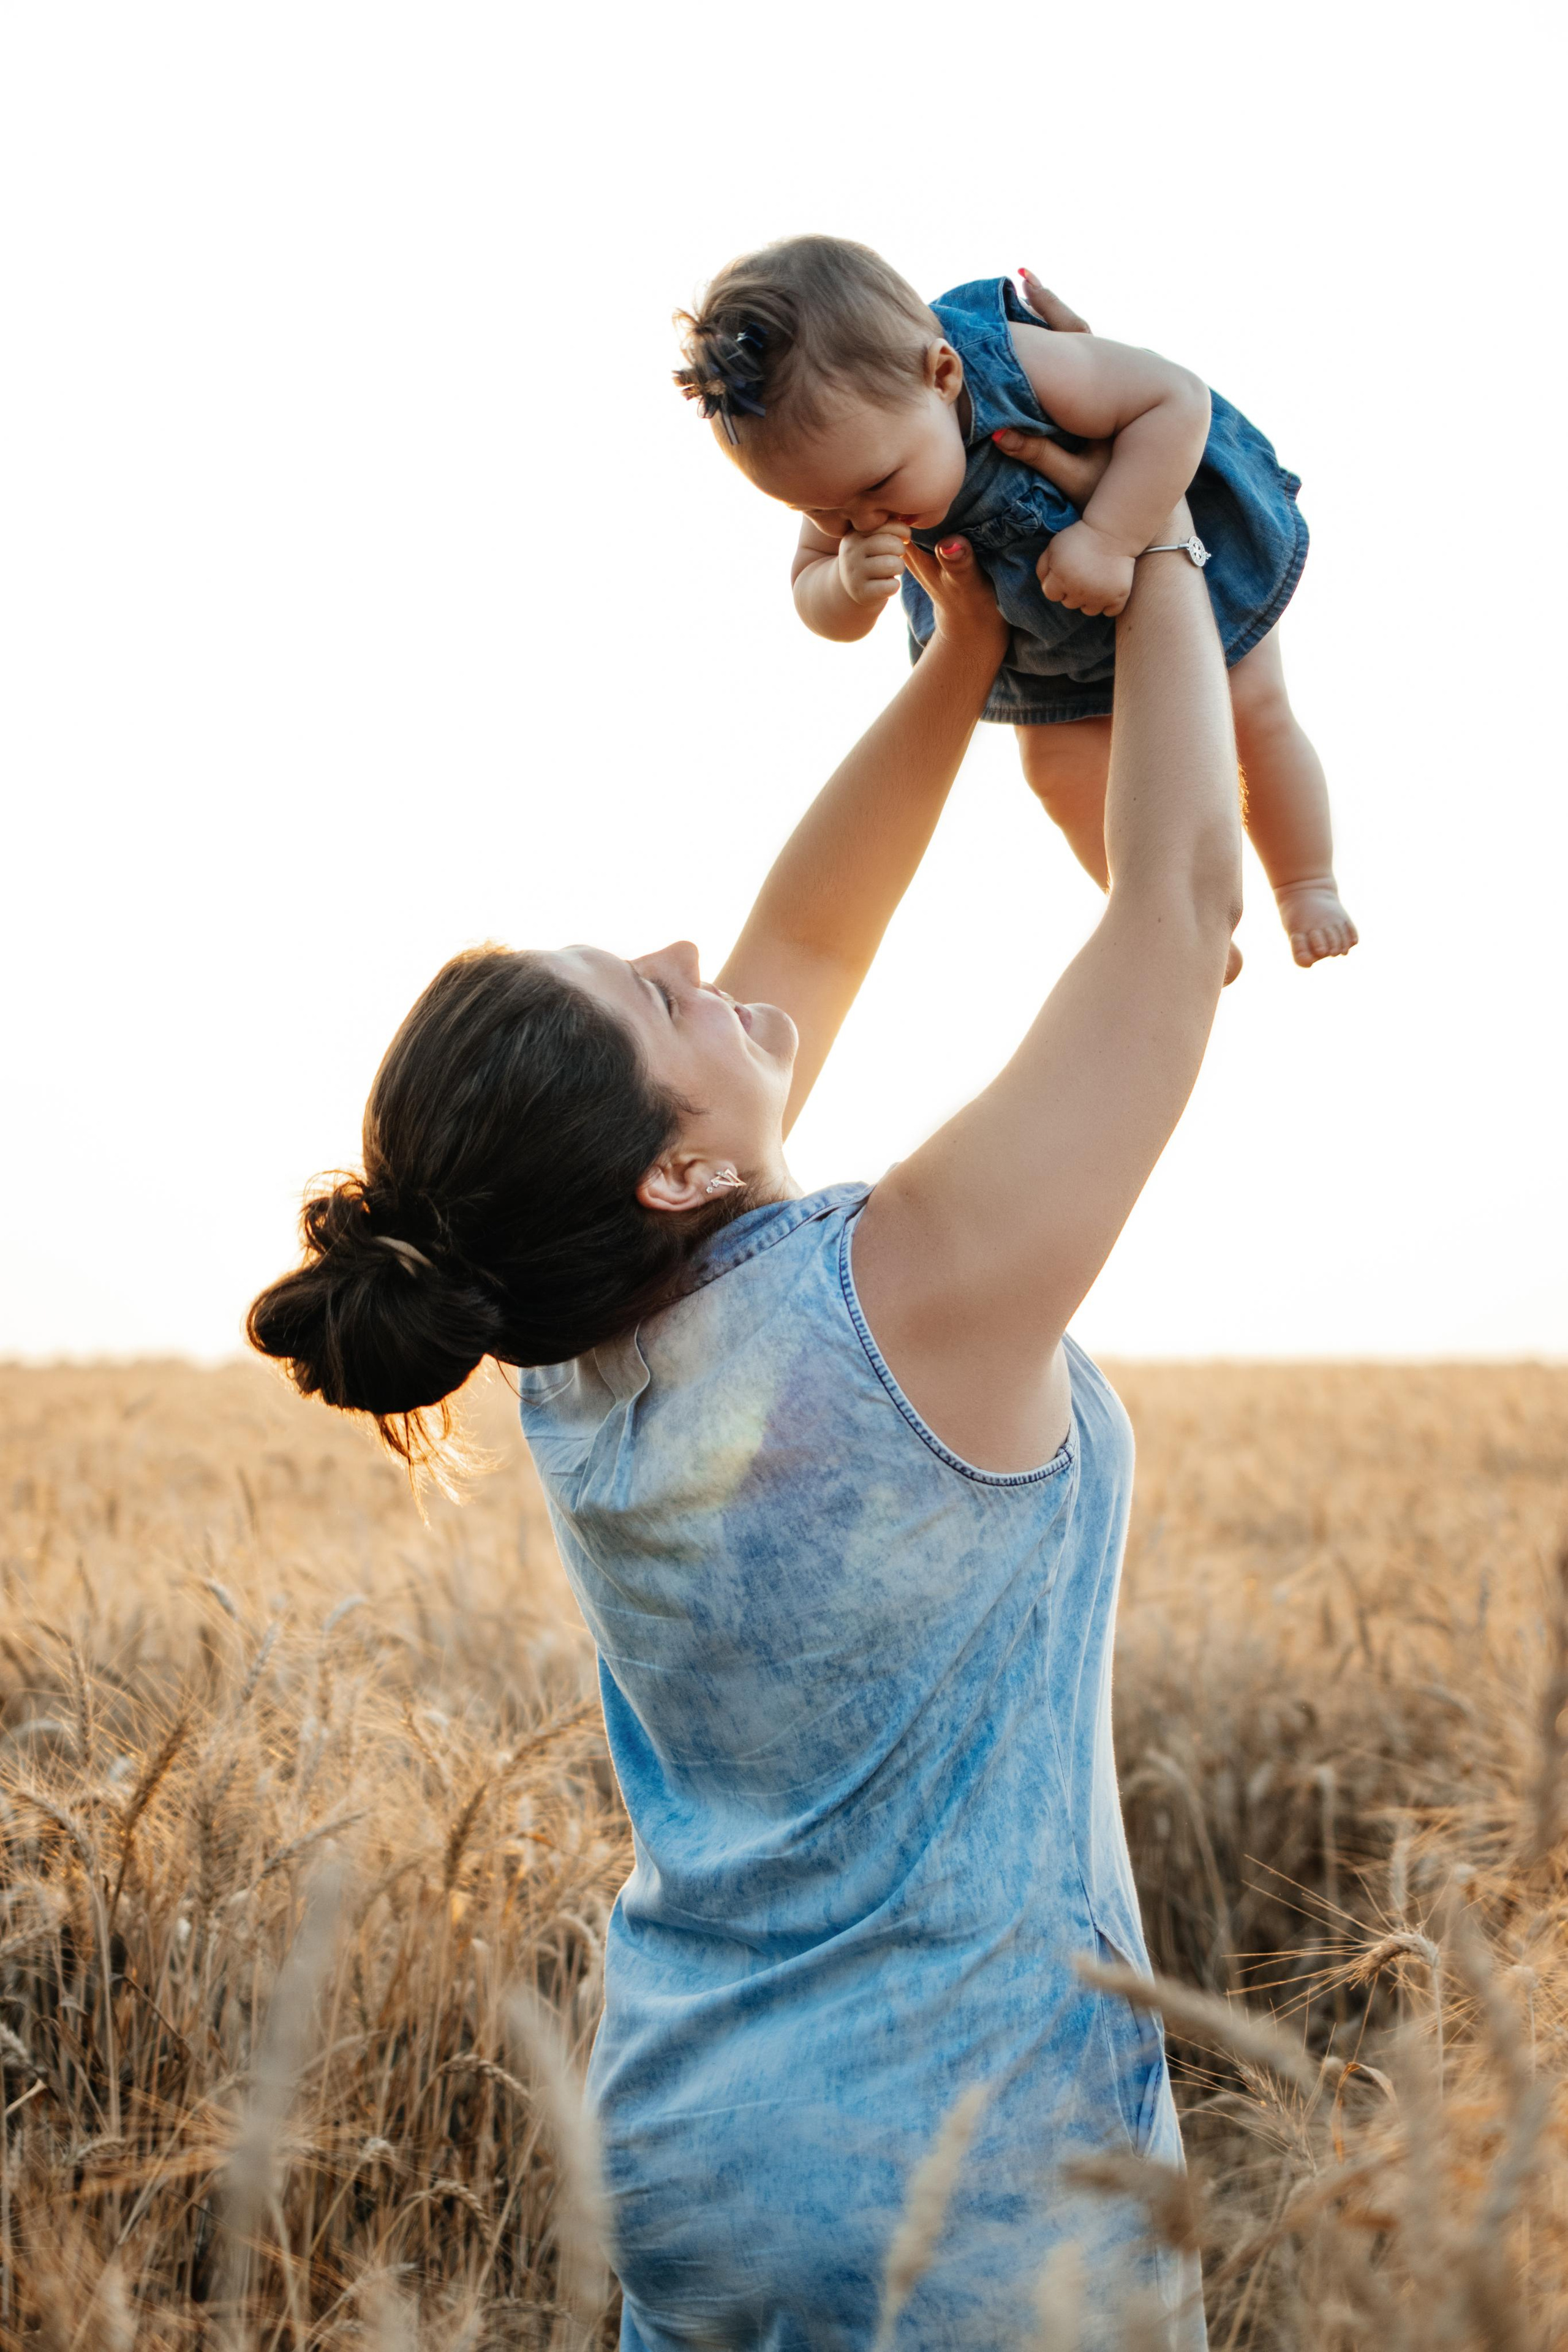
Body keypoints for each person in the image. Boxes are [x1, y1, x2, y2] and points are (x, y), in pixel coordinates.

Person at [248, 438, 1237, 2345]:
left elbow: (814, 941)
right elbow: (1181, 906)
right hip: (972, 2177)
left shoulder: (570, 1344)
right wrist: (1167, 514)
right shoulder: (905, 1294)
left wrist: (959, 639)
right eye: (655, 993)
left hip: (694, 2148)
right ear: (673, 1167)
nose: (701, 956)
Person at [676, 235, 1355, 973]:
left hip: (1184, 568)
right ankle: (1167, 921)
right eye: (819, 508)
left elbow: (1173, 398)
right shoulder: (842, 462)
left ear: (940, 374)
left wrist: (1108, 534)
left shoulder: (1014, 364)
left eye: (876, 488)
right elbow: (812, 594)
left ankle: (1304, 882)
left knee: (1251, 712)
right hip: (1041, 648)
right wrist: (840, 588)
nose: (860, 521)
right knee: (1057, 770)